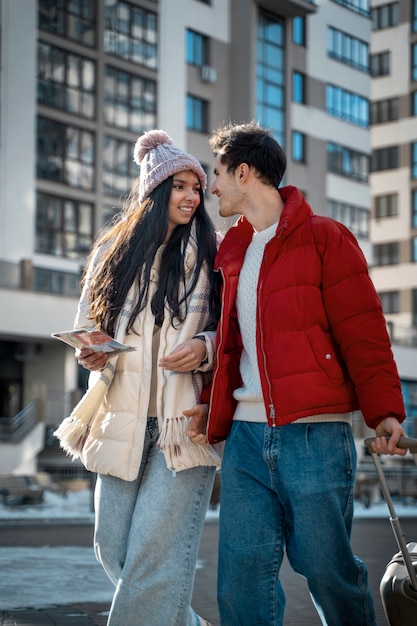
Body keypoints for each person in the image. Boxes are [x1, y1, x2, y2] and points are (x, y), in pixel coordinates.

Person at [204, 121, 408, 626]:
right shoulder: (231, 251)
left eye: (217, 173)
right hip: (248, 440)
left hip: (315, 435)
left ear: (244, 172)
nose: (212, 187)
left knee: (327, 573)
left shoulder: (325, 239)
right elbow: (229, 346)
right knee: (241, 578)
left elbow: (363, 333)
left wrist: (384, 412)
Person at [55, 129, 221, 626]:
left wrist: (205, 348)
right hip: (120, 417)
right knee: (112, 549)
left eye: (197, 186)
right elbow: (89, 325)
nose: (193, 196)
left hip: (183, 424)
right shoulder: (112, 255)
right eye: (181, 186)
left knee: (151, 562)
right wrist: (92, 353)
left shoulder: (212, 255)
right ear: (155, 190)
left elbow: (233, 331)